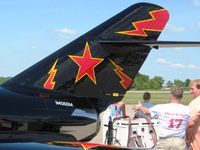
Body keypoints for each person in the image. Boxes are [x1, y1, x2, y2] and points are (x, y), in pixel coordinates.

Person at [186, 79, 200, 150]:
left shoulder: (194, 104)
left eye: (192, 89)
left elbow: (191, 124)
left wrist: (187, 139)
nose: (190, 91)